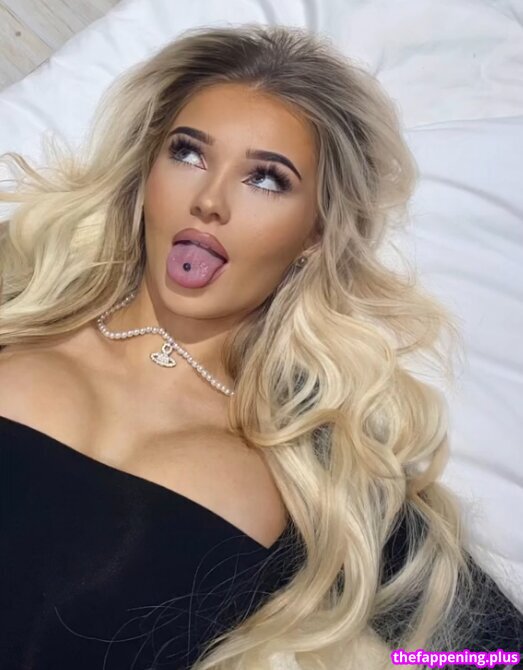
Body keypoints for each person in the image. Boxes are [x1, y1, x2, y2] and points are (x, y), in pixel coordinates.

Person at [0, 23, 521, 670]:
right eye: (188, 153)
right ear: (146, 171)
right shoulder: (15, 308)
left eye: (267, 179)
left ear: (316, 234)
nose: (209, 201)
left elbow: (499, 655)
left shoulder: (319, 473)